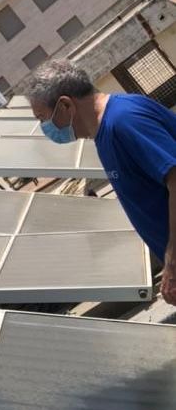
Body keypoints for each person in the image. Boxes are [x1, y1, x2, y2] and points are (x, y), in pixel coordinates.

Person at [25, 59, 176, 303]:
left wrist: (172, 260)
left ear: (65, 105)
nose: (44, 127)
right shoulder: (105, 132)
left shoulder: (124, 122)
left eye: (43, 118)